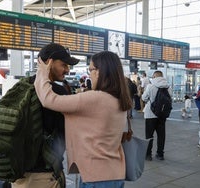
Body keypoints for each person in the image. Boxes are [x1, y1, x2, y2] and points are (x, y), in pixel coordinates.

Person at [34, 51, 132, 188]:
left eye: (90, 69)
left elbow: (48, 100)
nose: (90, 74)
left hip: (96, 177)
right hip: (115, 173)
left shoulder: (95, 98)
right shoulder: (119, 100)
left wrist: (42, 73)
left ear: (99, 72)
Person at [12, 43, 79, 188]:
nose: (67, 70)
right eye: (64, 65)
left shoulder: (20, 87)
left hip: (18, 174)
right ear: (49, 62)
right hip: (45, 176)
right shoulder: (57, 92)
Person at [141, 70, 172, 161]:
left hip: (150, 114)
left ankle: (148, 155)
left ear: (154, 77)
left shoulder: (150, 86)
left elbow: (144, 98)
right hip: (162, 114)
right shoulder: (168, 87)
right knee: (161, 135)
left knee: (149, 135)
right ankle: (160, 154)